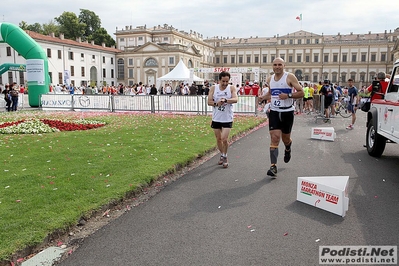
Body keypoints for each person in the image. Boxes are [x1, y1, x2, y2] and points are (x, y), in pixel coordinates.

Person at [258, 58, 304, 177]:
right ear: (272, 66)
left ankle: (288, 147)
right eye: (275, 65)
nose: (277, 67)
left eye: (280, 64)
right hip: (274, 111)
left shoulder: (290, 77)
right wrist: (263, 97)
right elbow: (271, 93)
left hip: (287, 112)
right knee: (275, 137)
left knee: (285, 139)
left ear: (284, 65)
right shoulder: (270, 79)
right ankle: (273, 166)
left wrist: (288, 95)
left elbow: (301, 92)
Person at [207, 71, 238, 168]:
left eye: (227, 81)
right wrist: (217, 103)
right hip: (216, 118)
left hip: (227, 118)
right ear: (219, 80)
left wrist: (226, 100)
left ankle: (225, 156)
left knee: (224, 139)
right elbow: (209, 101)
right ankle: (221, 154)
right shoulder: (213, 88)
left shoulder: (231, 88)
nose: (225, 84)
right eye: (223, 81)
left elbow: (235, 99)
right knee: (218, 139)